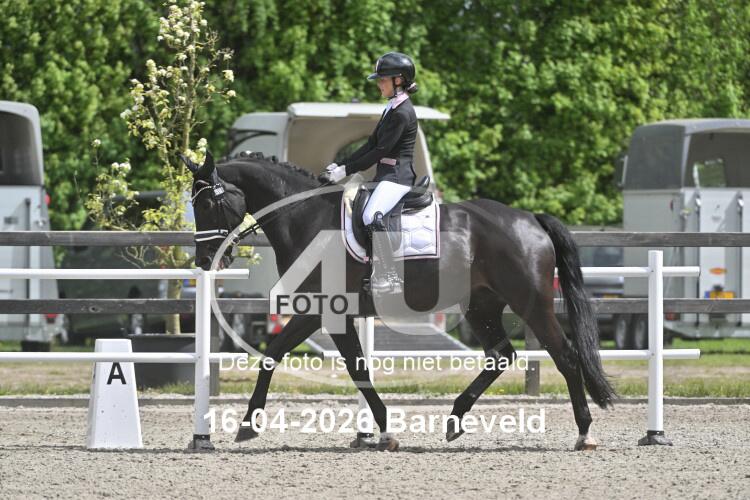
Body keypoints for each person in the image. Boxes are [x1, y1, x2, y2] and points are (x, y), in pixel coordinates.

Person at [321, 52, 420, 294]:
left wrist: (346, 170)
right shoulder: (391, 107)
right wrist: (340, 165)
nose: (379, 84)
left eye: (383, 80)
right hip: (386, 176)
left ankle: (389, 275)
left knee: (370, 216)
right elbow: (370, 145)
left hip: (398, 177)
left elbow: (380, 152)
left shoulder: (403, 113)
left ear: (398, 80)